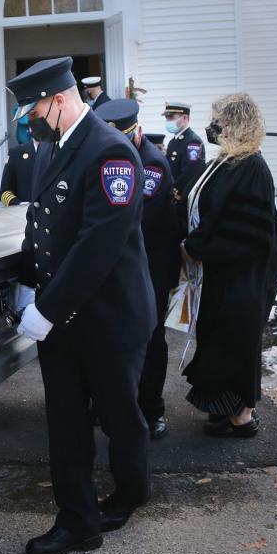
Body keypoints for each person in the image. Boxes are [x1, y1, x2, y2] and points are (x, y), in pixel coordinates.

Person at [7, 57, 156, 554]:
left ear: (59, 100)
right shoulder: (51, 149)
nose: (28, 120)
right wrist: (24, 284)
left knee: (119, 418)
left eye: (32, 109)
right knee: (65, 424)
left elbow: (98, 245)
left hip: (110, 319)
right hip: (65, 320)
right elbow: (40, 227)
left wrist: (45, 310)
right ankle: (78, 522)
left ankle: (132, 491)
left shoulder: (111, 153)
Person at [180, 93, 277, 437]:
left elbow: (249, 234)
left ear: (235, 124)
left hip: (243, 275)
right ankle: (225, 409)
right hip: (221, 273)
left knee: (236, 341)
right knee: (217, 337)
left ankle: (243, 418)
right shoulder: (227, 161)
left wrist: (199, 248)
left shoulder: (252, 166)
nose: (212, 126)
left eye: (218, 120)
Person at [96, 99, 179, 439]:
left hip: (151, 268)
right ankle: (114, 404)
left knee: (150, 338)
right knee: (112, 337)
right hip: (119, 264)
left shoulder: (152, 166)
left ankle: (152, 409)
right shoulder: (111, 156)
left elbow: (131, 220)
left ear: (138, 132)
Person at [163, 100, 206, 200]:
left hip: (182, 199)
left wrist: (175, 195)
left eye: (171, 117)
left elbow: (191, 175)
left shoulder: (193, 142)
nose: (168, 121)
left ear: (185, 118)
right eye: (167, 117)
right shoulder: (173, 141)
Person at [0, 139, 39, 206]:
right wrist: (19, 204)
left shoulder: (56, 149)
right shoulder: (16, 152)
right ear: (30, 129)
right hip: (24, 213)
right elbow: (4, 192)